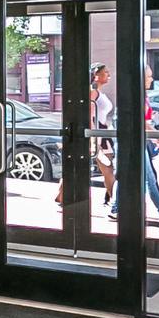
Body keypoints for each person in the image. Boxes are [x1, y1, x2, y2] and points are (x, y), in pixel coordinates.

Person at [108, 64, 159, 226]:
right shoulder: (135, 95)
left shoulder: (140, 95)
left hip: (136, 140)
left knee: (131, 175)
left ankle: (116, 209)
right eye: (149, 76)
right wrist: (157, 137)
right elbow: (141, 121)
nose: (152, 79)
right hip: (132, 141)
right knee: (148, 177)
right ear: (141, 78)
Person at [57, 63, 116, 210]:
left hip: (102, 133)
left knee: (95, 166)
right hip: (98, 135)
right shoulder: (92, 93)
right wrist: (94, 137)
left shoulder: (98, 92)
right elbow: (90, 116)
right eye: (106, 72)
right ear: (96, 75)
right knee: (107, 168)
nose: (109, 75)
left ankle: (62, 196)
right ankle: (115, 202)